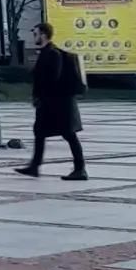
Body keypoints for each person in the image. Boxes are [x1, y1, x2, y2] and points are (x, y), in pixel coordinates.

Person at [18, 21, 87, 181]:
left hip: (59, 104)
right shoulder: (46, 53)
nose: (33, 37)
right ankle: (34, 166)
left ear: (43, 35)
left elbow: (52, 78)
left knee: (69, 135)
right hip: (52, 103)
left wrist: (40, 94)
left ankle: (80, 169)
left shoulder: (53, 53)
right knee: (40, 132)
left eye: (35, 34)